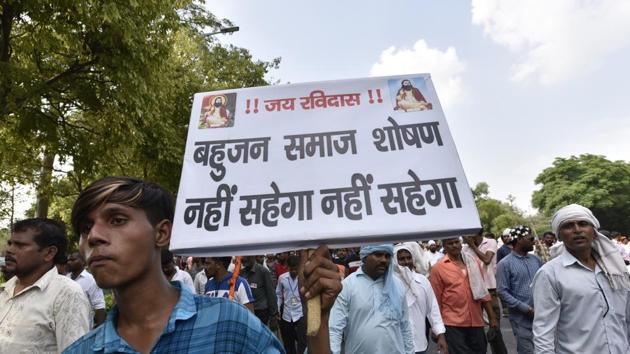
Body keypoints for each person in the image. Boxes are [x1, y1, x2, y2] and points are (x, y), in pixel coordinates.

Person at [63, 176, 341, 353]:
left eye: (117, 220)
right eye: (86, 228)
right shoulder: (83, 350)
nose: (94, 236)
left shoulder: (230, 325)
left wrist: (319, 326)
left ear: (162, 233)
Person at [532, 204, 630, 354]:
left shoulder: (615, 270)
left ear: (594, 232)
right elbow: (543, 331)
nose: (577, 230)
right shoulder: (549, 274)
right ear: (559, 235)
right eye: (568, 226)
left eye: (583, 224)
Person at [0, 218, 90, 353]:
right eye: (10, 243)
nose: (9, 250)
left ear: (49, 253)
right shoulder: (6, 289)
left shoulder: (66, 294)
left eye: (20, 245)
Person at [329, 244, 414, 354]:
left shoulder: (397, 285)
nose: (384, 260)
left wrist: (410, 352)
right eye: (378, 254)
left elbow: (405, 325)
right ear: (364, 256)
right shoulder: (348, 286)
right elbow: (335, 327)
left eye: (387, 256)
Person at [431, 237, 498, 354]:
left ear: (461, 244)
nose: (454, 245)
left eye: (456, 242)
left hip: (476, 321)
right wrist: (437, 328)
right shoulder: (439, 268)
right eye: (450, 243)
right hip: (452, 324)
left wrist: (492, 318)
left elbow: (483, 292)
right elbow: (435, 300)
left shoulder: (473, 262)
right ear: (444, 246)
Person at [394, 243, 447, 354]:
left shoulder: (422, 281)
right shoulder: (390, 283)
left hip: (419, 343)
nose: (406, 262)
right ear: (395, 261)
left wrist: (440, 335)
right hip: (396, 345)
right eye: (401, 259)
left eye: (409, 258)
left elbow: (433, 309)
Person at [496, 226, 542, 354]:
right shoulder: (505, 264)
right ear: (520, 240)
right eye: (531, 238)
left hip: (542, 317)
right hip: (521, 320)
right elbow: (502, 292)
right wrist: (526, 309)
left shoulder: (536, 260)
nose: (534, 241)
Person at [67, 251, 107, 328]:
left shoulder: (91, 280)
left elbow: (99, 305)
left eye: (73, 260)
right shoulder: (65, 278)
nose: (69, 262)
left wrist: (101, 330)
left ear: (83, 262)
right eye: (68, 260)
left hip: (83, 328)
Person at [276, 255, 307, 354]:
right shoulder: (282, 278)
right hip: (287, 315)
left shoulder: (303, 278)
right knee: (288, 343)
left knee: (302, 342)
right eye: (291, 269)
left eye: (295, 269)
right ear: (288, 267)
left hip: (300, 314)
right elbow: (279, 295)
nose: (294, 271)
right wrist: (277, 310)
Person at [241, 255, 279, 327]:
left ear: (253, 257)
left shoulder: (263, 271)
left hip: (261, 312)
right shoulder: (241, 273)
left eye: (247, 257)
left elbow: (271, 293)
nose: (244, 259)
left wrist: (274, 315)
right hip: (246, 311)